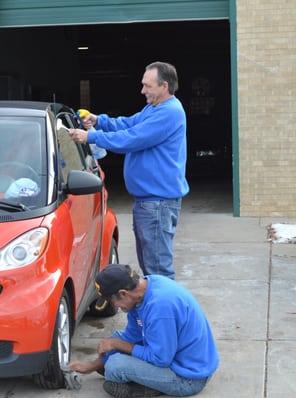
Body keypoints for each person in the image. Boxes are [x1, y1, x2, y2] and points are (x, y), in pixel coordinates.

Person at [69, 62, 188, 280]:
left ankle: (163, 312)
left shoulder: (169, 113)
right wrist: (98, 120)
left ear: (164, 86)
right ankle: (156, 310)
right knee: (151, 268)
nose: (143, 91)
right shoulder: (153, 108)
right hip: (149, 203)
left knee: (159, 272)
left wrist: (91, 136)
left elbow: (131, 139)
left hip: (157, 204)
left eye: (147, 86)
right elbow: (128, 124)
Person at [69, 264, 219, 397]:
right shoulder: (142, 291)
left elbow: (160, 359)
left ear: (123, 293)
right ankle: (125, 372)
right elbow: (132, 335)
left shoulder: (160, 308)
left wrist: (117, 346)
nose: (115, 306)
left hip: (188, 377)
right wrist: (91, 366)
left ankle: (150, 388)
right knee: (115, 340)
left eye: (113, 301)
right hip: (174, 357)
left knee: (116, 365)